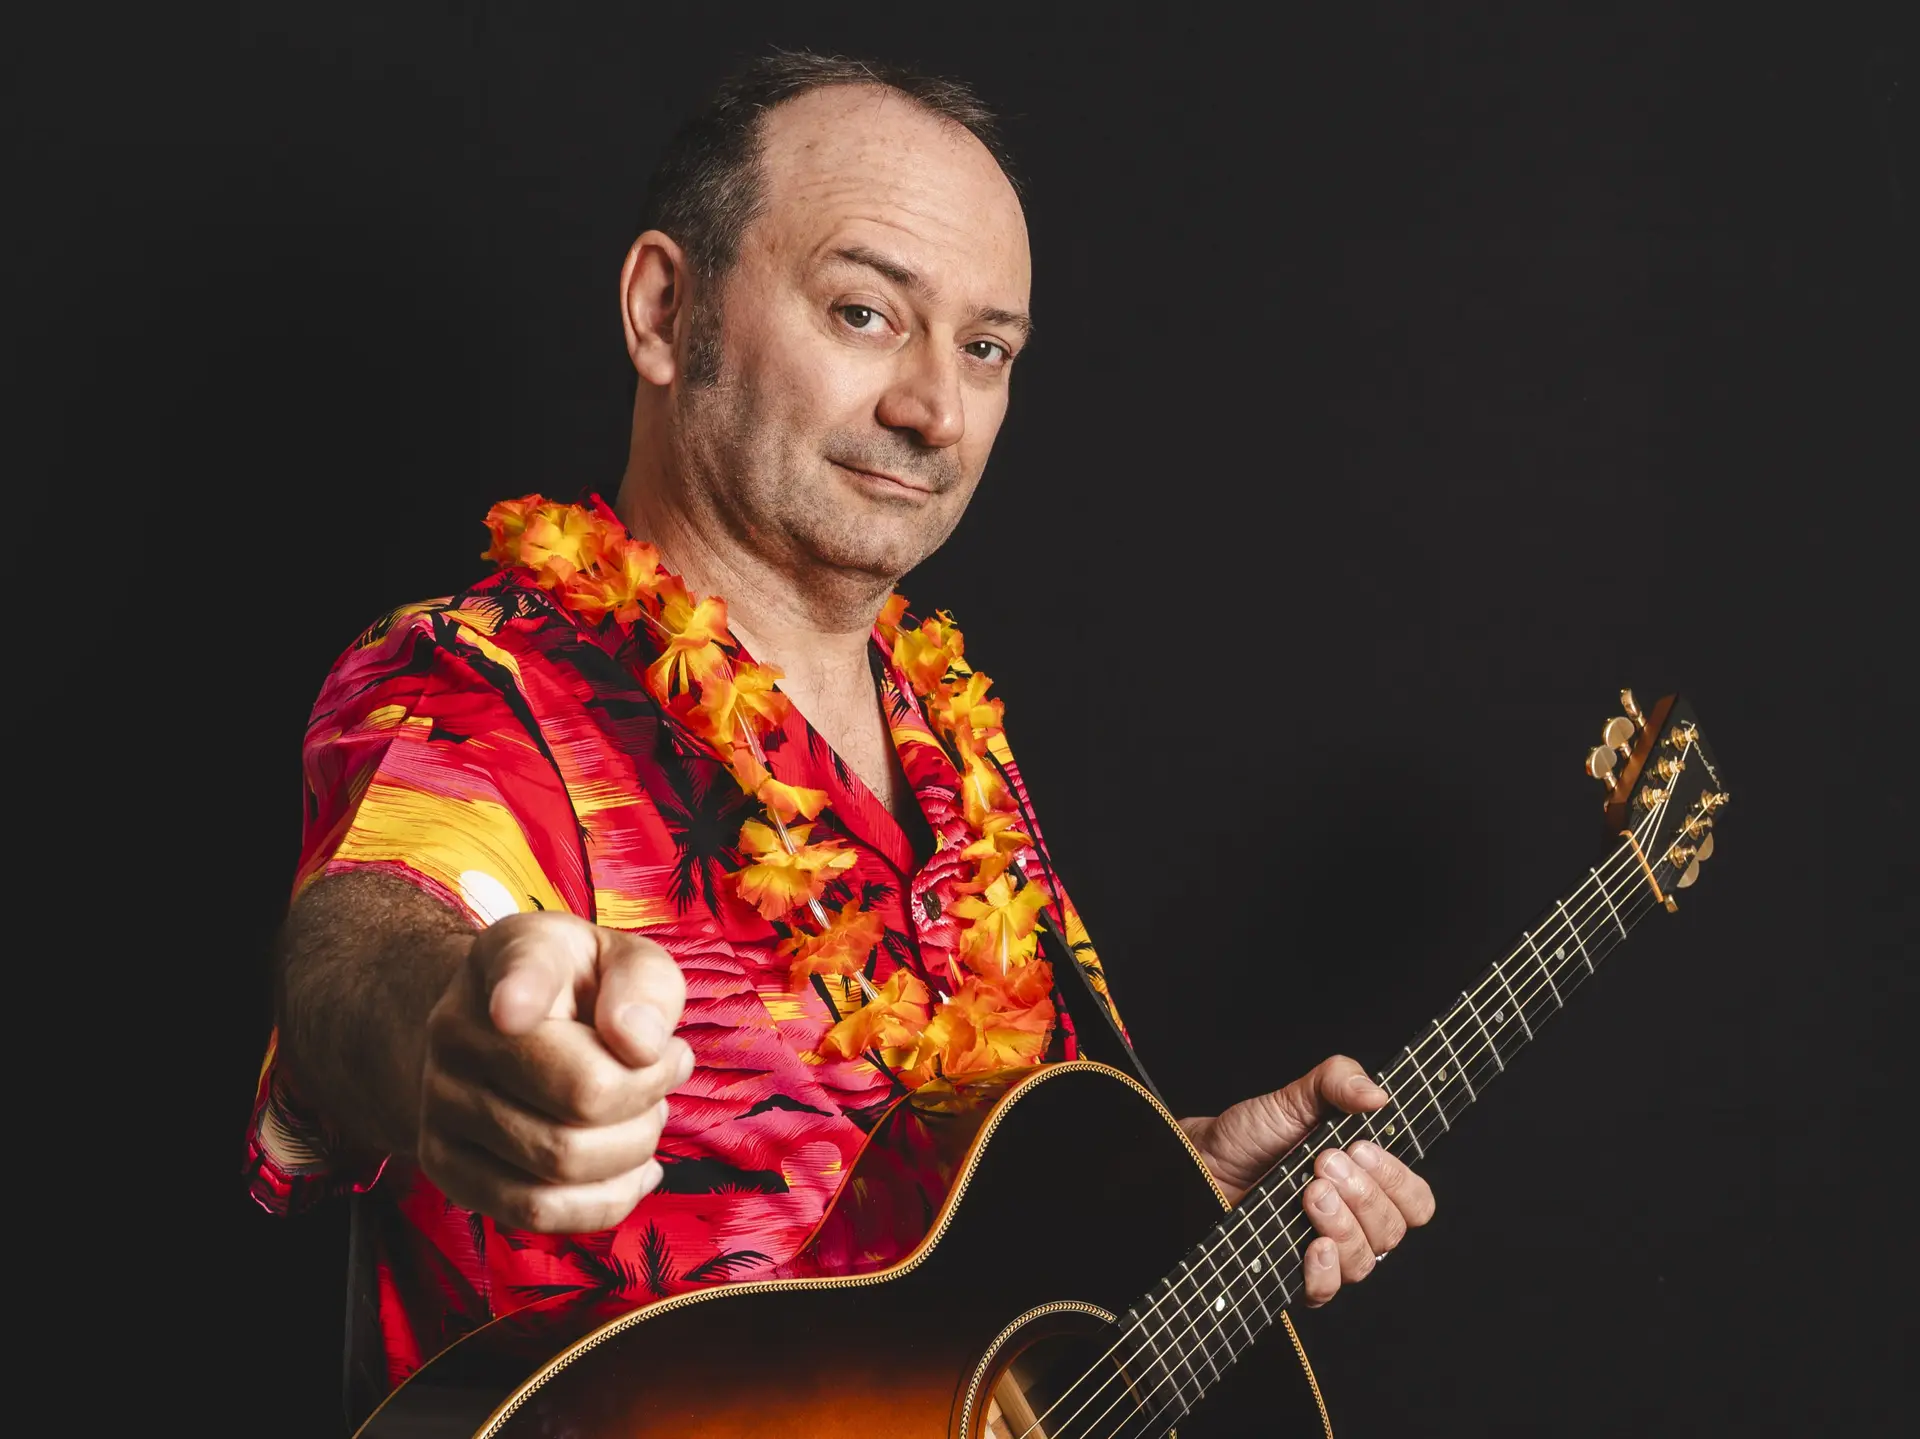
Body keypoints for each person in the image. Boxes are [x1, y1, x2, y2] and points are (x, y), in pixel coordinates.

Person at [247, 51, 1435, 1424]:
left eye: (986, 348)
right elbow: (367, 937)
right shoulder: (484, 682)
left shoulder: (955, 748)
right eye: (868, 312)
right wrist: (451, 1036)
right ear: (661, 308)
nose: (936, 407)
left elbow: (934, 1247)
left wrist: (1169, 1182)